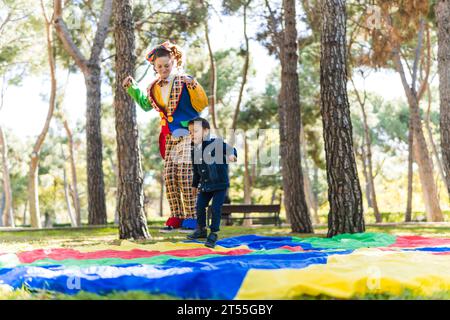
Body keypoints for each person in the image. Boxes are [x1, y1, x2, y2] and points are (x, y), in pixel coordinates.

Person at [122, 41, 208, 231]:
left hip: (189, 133)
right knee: (169, 176)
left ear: (174, 63)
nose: (163, 69)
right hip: (169, 136)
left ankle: (193, 216)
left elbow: (201, 104)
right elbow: (146, 105)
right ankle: (176, 216)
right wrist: (133, 88)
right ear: (154, 67)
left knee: (185, 174)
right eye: (159, 66)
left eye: (167, 65)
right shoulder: (154, 87)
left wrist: (194, 86)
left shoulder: (185, 80)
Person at [186, 117, 237, 248]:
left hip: (220, 184)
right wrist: (194, 185)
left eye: (195, 131)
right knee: (199, 206)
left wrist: (232, 155)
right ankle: (201, 229)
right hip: (205, 185)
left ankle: (213, 233)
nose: (192, 134)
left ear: (206, 131)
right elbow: (196, 171)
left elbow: (231, 149)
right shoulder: (194, 151)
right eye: (190, 132)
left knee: (215, 208)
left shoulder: (216, 143)